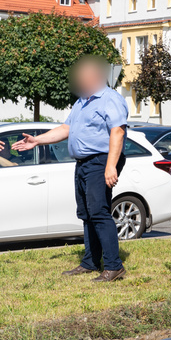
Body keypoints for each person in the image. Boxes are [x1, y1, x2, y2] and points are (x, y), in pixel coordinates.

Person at [13, 55, 130, 282]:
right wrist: (37, 141)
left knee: (99, 212)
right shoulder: (82, 102)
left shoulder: (110, 99)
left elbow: (118, 131)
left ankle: (114, 266)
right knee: (87, 214)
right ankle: (90, 262)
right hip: (84, 163)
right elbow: (66, 128)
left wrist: (110, 166)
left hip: (100, 160)